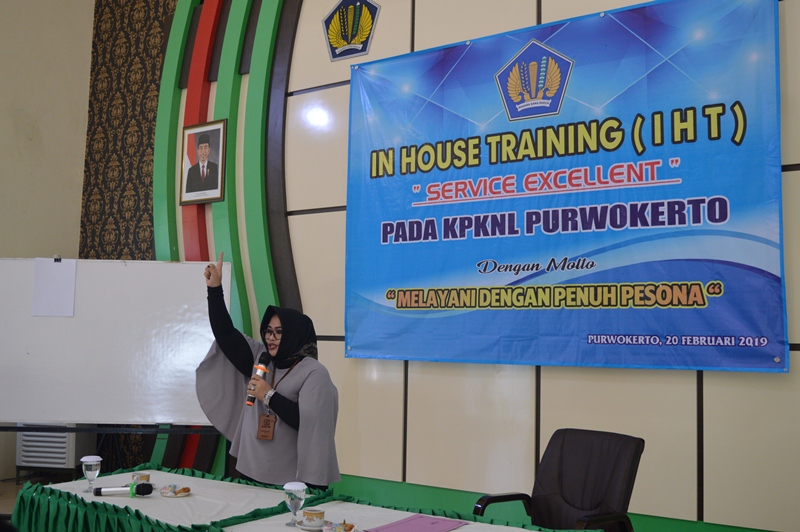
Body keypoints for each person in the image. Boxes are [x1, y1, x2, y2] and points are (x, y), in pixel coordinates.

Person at [195, 252, 340, 488]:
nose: (271, 338)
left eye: (279, 332)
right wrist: (215, 290)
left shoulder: (314, 374)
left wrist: (268, 395)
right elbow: (226, 335)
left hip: (291, 480)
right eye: (268, 331)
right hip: (252, 470)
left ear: (293, 335)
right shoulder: (261, 357)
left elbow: (310, 422)